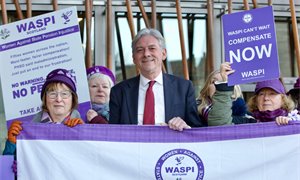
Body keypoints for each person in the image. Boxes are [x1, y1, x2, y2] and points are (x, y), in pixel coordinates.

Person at [109, 28, 202, 131]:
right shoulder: (119, 92)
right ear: (134, 58)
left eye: (152, 48)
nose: (146, 54)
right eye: (140, 50)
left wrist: (185, 127)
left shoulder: (184, 88)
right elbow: (113, 133)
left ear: (163, 54)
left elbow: (196, 129)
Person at [3, 68, 84, 156]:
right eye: (52, 93)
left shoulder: (84, 127)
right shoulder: (26, 132)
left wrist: (84, 134)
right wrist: (11, 145)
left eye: (64, 94)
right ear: (45, 98)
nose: (58, 99)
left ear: (73, 99)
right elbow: (8, 166)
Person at [197, 62, 255, 126]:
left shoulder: (248, 119)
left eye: (225, 82)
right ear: (207, 89)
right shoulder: (193, 115)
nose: (219, 86)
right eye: (215, 81)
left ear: (234, 90)